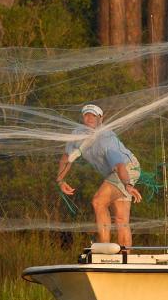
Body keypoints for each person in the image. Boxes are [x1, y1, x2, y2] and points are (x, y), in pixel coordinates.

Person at [56, 104, 142, 247]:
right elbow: (66, 158)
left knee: (98, 202)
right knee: (121, 219)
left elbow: (120, 165)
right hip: (114, 173)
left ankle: (104, 248)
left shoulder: (106, 138)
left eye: (93, 115)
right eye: (86, 115)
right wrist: (60, 180)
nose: (89, 118)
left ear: (101, 119)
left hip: (127, 169)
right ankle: (125, 261)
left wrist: (128, 184)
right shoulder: (77, 134)